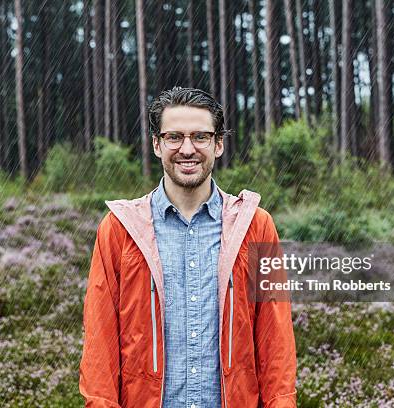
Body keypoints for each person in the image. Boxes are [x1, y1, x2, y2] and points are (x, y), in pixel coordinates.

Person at [79, 87, 297, 407]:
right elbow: (99, 344)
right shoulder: (118, 230)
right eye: (174, 137)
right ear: (157, 144)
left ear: (218, 144)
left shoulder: (256, 227)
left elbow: (276, 341)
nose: (187, 148)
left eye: (200, 136)